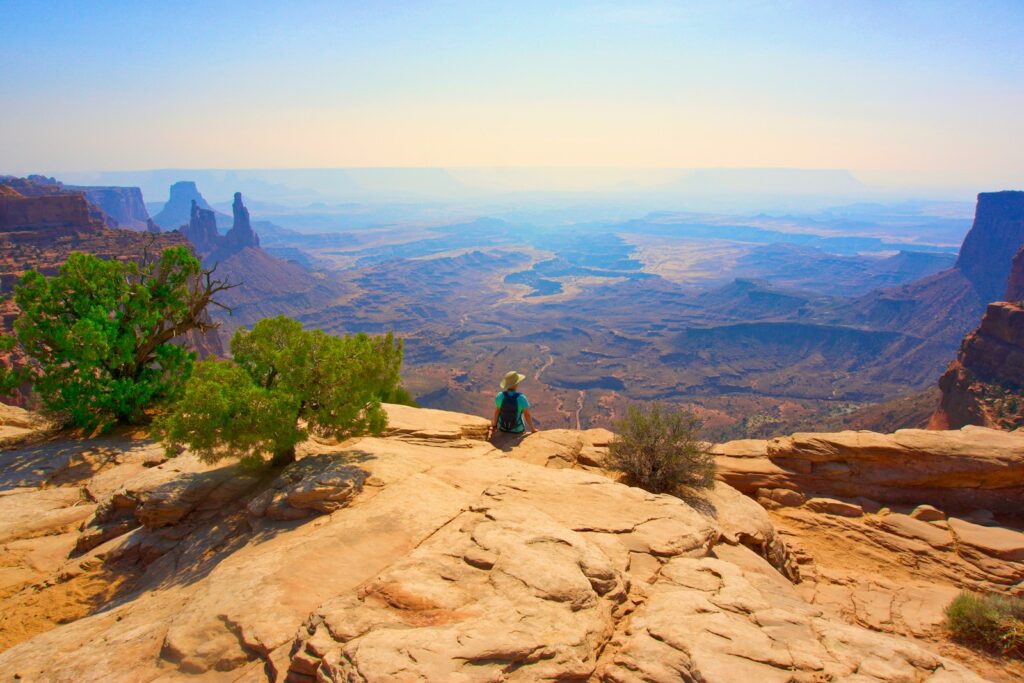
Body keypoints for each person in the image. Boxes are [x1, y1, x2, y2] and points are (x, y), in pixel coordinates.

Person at [490, 370, 538, 437]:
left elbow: (497, 412)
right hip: (517, 430)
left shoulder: (500, 396)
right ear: (516, 384)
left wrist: (494, 426)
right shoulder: (521, 398)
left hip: (502, 428)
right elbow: (527, 415)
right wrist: (532, 429)